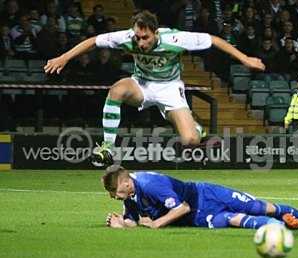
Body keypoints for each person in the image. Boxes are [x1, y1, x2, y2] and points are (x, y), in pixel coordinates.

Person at [44, 10, 265, 166]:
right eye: (138, 38)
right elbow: (93, 41)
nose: (140, 43)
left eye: (145, 38)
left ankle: (196, 129)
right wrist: (64, 58)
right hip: (142, 84)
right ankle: (107, 147)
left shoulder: (176, 39)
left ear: (155, 32)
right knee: (117, 89)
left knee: (190, 141)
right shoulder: (128, 37)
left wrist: (244, 58)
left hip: (169, 89)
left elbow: (214, 40)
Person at [102, 165, 298, 230]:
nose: (114, 196)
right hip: (198, 217)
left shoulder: (149, 183)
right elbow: (133, 221)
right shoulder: (131, 196)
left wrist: (155, 224)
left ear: (124, 182)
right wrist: (121, 224)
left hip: (204, 194)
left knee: (260, 206)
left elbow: (182, 207)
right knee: (233, 220)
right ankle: (282, 227)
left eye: (114, 191)